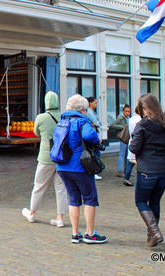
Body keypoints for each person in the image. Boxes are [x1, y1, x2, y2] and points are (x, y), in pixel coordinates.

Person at [55, 94, 108, 244]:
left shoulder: (62, 121)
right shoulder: (82, 121)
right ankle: (90, 233)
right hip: (80, 166)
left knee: (73, 199)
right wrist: (97, 139)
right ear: (82, 110)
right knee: (90, 198)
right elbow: (90, 136)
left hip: (62, 166)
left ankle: (75, 233)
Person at [129, 94, 165, 248]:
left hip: (147, 170)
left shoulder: (142, 125)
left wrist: (132, 139)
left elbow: (134, 147)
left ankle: (154, 232)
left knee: (141, 201)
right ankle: (152, 235)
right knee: (155, 202)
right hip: (164, 170)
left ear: (145, 109)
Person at [21, 91, 69, 227]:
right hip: (61, 157)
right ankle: (60, 218)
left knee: (39, 185)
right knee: (61, 188)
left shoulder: (41, 117)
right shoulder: (64, 117)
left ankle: (32, 213)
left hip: (46, 157)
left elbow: (36, 132)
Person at [109, 104, 131, 179]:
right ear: (123, 111)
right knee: (122, 154)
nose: (127, 113)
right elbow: (112, 125)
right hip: (123, 138)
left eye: (129, 111)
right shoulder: (120, 118)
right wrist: (122, 127)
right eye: (126, 111)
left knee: (127, 155)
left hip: (127, 138)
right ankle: (120, 171)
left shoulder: (129, 118)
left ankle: (127, 170)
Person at [123, 106, 142, 186]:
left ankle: (126, 178)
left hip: (131, 141)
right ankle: (140, 179)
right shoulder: (140, 120)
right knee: (140, 162)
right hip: (138, 142)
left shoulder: (131, 119)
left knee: (130, 161)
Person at [86, 96, 103, 180]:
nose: (96, 104)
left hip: (94, 133)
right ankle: (94, 170)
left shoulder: (92, 112)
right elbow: (98, 123)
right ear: (90, 103)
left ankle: (94, 170)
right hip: (92, 134)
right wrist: (97, 123)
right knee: (95, 153)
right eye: (95, 102)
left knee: (95, 152)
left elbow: (98, 122)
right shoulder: (89, 112)